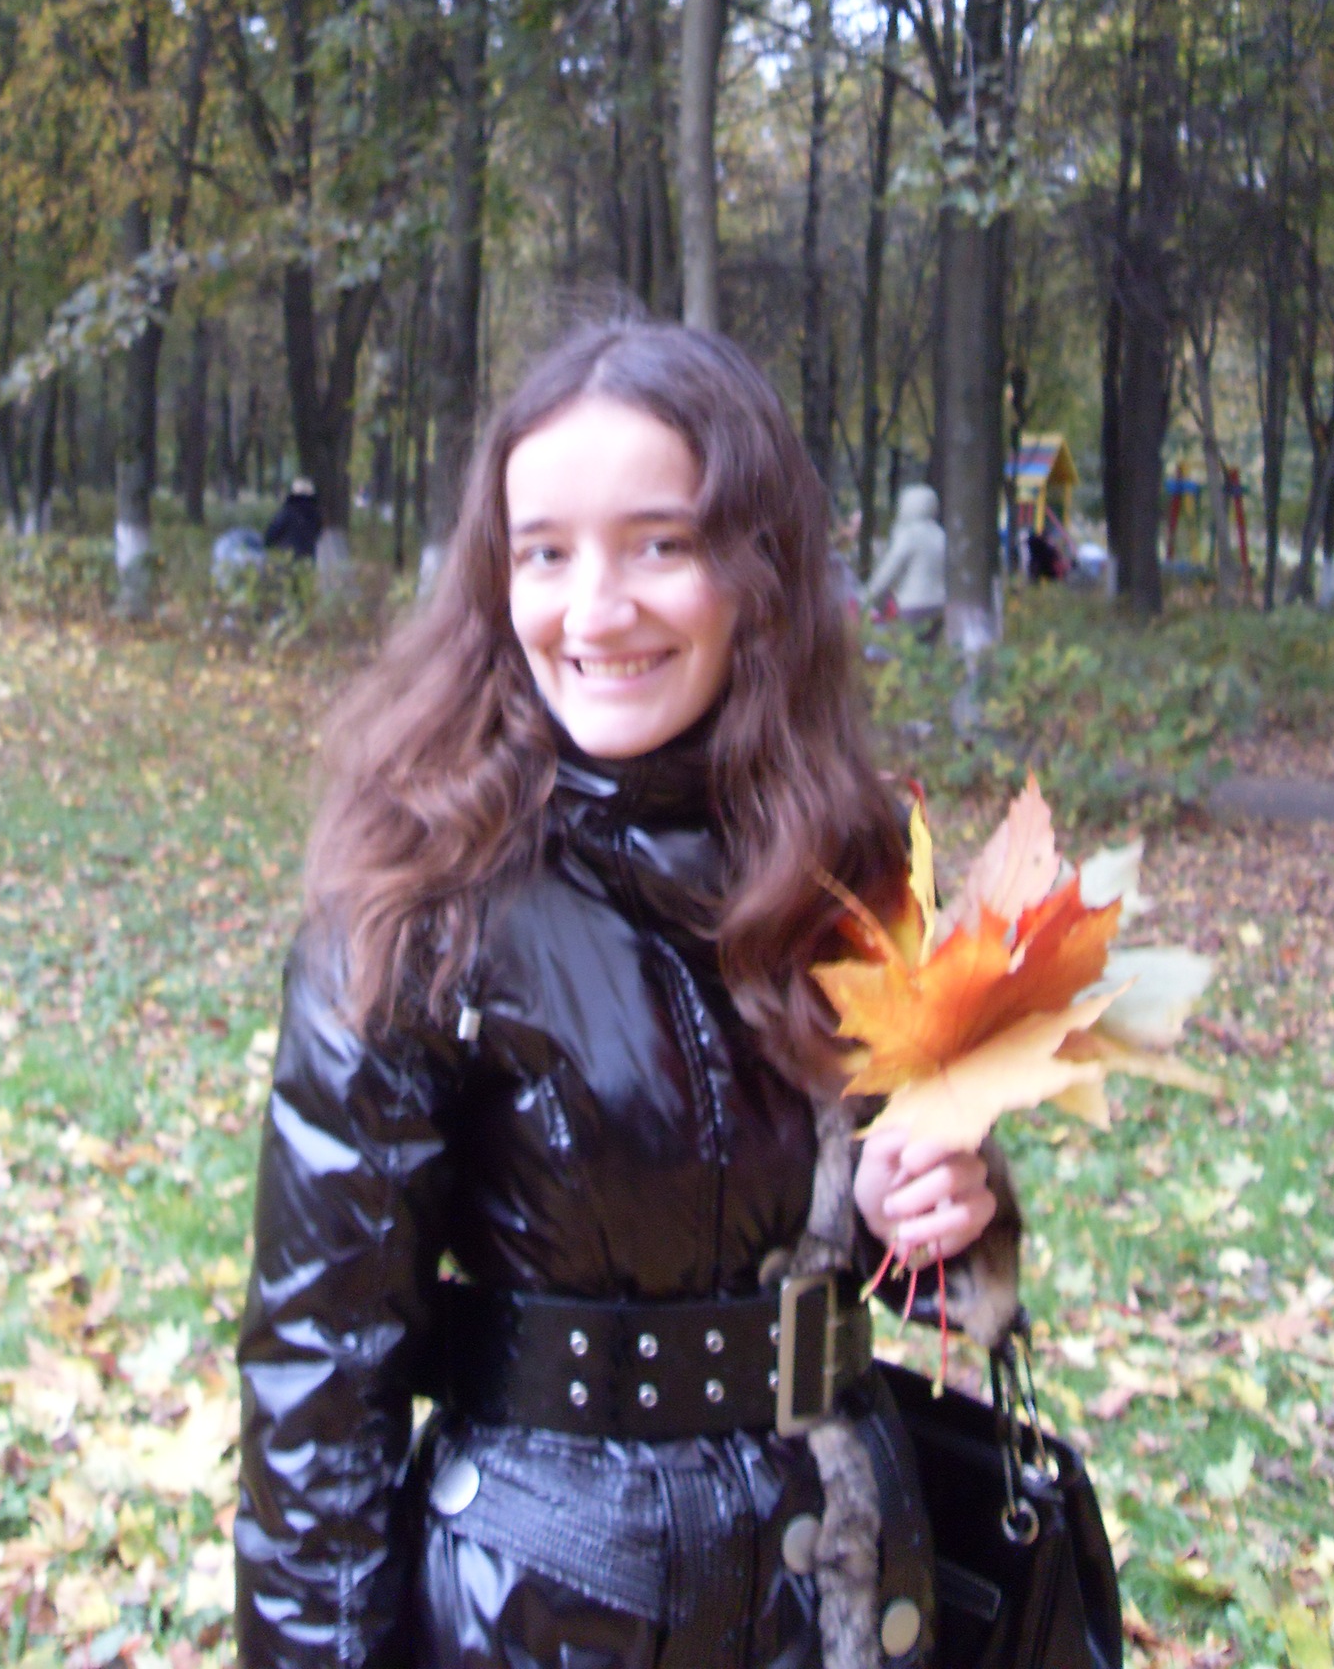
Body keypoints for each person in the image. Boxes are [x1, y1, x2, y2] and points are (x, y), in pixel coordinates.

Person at [236, 324, 1004, 1669]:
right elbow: (319, 1389)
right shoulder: (420, 904)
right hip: (548, 1616)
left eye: (660, 543)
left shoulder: (858, 861)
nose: (594, 610)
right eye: (545, 553)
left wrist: (935, 1216)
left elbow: (936, 1256)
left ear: (759, 568)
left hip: (841, 1596)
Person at [864, 486, 945, 631]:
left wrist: (868, 596)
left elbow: (889, 570)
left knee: (904, 643)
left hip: (912, 606)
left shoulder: (909, 534)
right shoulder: (940, 534)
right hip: (939, 605)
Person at [264, 477, 324, 561]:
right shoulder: (315, 514)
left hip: (287, 558)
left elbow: (271, 533)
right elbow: (318, 533)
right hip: (307, 559)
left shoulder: (287, 511)